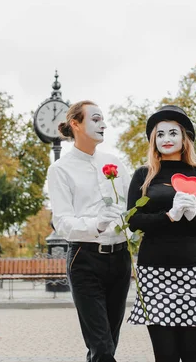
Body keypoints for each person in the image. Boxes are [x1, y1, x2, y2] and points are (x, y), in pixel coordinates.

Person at [126, 105, 196, 362]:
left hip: (194, 270)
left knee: (194, 355)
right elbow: (133, 220)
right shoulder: (144, 175)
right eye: (160, 134)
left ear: (184, 138)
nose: (166, 139)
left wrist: (194, 218)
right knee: (166, 355)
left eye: (173, 133)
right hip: (154, 272)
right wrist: (168, 216)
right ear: (153, 140)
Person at [47, 100, 132, 362]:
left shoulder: (115, 162)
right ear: (76, 124)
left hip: (120, 258)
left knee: (108, 343)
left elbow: (132, 207)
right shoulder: (60, 169)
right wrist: (96, 223)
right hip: (85, 258)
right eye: (95, 119)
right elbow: (61, 222)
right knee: (102, 347)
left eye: (103, 119)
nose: (103, 124)